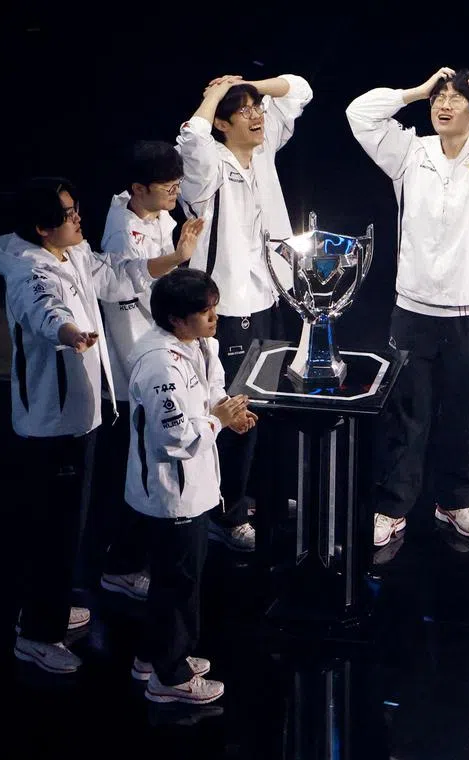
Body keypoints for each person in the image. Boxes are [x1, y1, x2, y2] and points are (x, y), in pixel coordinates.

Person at [0, 177, 202, 673]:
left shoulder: (73, 254)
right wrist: (73, 333)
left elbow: (114, 276)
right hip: (52, 427)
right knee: (54, 533)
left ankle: (51, 610)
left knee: (70, 526)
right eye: (68, 215)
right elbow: (47, 313)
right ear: (43, 228)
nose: (78, 219)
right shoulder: (30, 273)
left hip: (80, 418)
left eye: (76, 210)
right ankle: (36, 634)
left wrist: (173, 258)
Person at [346, 68, 469, 547]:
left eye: (456, 99)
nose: (444, 105)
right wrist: (413, 91)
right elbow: (360, 112)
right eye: (439, 98)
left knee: (465, 410)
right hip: (412, 308)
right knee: (405, 412)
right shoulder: (411, 152)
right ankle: (392, 506)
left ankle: (457, 501)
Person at [177, 72, 313, 551]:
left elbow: (299, 88)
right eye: (245, 110)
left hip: (269, 298)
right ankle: (226, 512)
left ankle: (267, 499)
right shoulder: (207, 165)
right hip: (226, 307)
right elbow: (190, 138)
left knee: (266, 407)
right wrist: (213, 93)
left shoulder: (264, 149)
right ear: (221, 123)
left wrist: (250, 83)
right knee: (233, 411)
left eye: (258, 108)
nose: (258, 116)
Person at [125, 267, 256, 704]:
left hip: (192, 489)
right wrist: (220, 419)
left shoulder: (195, 344)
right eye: (206, 311)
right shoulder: (161, 365)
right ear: (177, 319)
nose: (215, 317)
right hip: (172, 495)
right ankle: (171, 677)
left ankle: (153, 656)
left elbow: (212, 388)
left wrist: (226, 411)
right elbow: (175, 436)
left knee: (174, 581)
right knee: (178, 585)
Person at [93, 141, 193, 601]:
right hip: (138, 370)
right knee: (141, 471)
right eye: (166, 183)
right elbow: (122, 289)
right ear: (138, 188)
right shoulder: (122, 232)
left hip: (158, 356)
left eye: (176, 180)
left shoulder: (156, 215)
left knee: (155, 469)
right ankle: (121, 565)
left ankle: (132, 558)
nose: (175, 188)